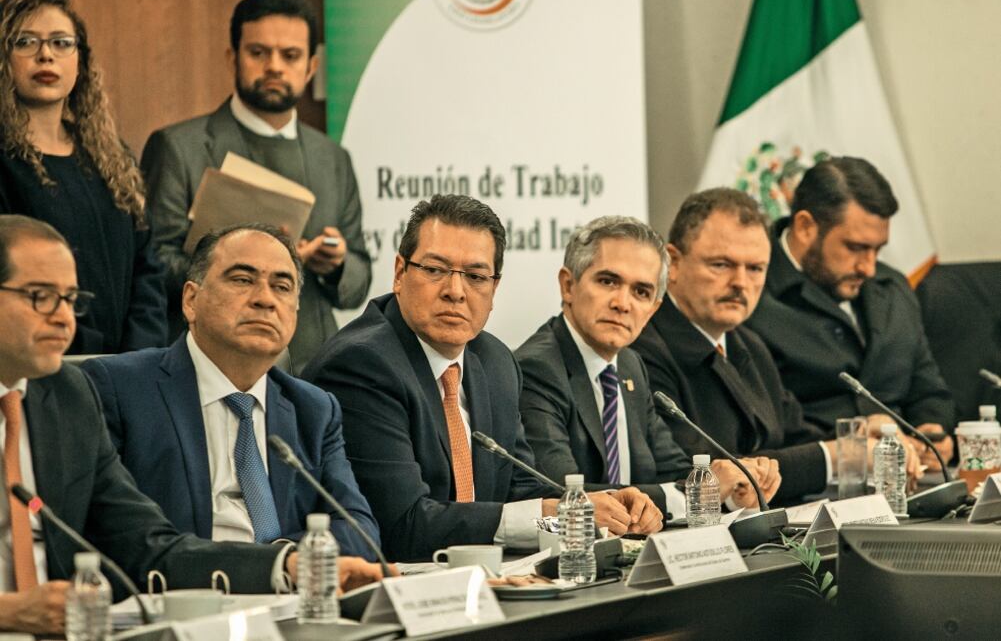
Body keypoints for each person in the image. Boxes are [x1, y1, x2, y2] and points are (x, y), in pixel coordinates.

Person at [0, 215, 383, 635]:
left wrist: (287, 563)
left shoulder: (63, 396)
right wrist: (10, 613)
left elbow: (148, 545)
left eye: (70, 299)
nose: (63, 318)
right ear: (190, 300)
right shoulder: (104, 387)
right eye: (40, 296)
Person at [302, 195, 662, 562]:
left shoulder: (493, 362)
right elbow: (404, 526)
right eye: (435, 270)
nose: (455, 291)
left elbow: (519, 489)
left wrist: (594, 508)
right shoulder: (362, 365)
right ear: (399, 273)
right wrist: (556, 513)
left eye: (475, 277)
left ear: (494, 289)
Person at [81, 224, 379, 560]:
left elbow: (360, 533)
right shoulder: (120, 389)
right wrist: (271, 566)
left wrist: (283, 562)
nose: (265, 299)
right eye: (242, 280)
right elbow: (118, 536)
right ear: (191, 300)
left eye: (281, 286)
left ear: (295, 312)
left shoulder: (314, 409)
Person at [632, 189, 920, 502]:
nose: (741, 283)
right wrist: (837, 454)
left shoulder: (748, 344)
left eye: (755, 268)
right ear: (673, 263)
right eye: (721, 265)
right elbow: (710, 475)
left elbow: (794, 435)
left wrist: (861, 435)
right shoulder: (642, 349)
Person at [141, 0, 371, 372]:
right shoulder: (179, 147)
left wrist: (334, 263)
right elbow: (153, 266)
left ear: (311, 66)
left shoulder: (332, 158)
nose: (275, 67)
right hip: (212, 367)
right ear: (233, 57)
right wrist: (240, 262)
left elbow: (358, 280)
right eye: (259, 53)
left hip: (315, 369)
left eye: (290, 55)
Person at [516, 215, 780, 517]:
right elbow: (562, 493)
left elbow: (671, 470)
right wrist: (701, 490)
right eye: (607, 281)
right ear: (568, 286)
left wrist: (732, 492)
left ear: (653, 308)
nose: (622, 303)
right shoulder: (538, 368)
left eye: (641, 292)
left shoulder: (629, 365)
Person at [745, 157, 955, 468]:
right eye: (855, 248)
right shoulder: (751, 296)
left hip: (906, 481)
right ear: (805, 228)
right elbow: (766, 427)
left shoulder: (892, 287)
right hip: (810, 490)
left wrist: (931, 431)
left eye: (877, 249)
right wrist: (855, 444)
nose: (869, 267)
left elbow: (928, 390)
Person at [0, 0, 166, 354]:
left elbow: (147, 268)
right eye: (25, 41)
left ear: (81, 60)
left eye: (61, 43)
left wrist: (139, 357)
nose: (45, 54)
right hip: (37, 364)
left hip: (126, 368)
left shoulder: (110, 156)